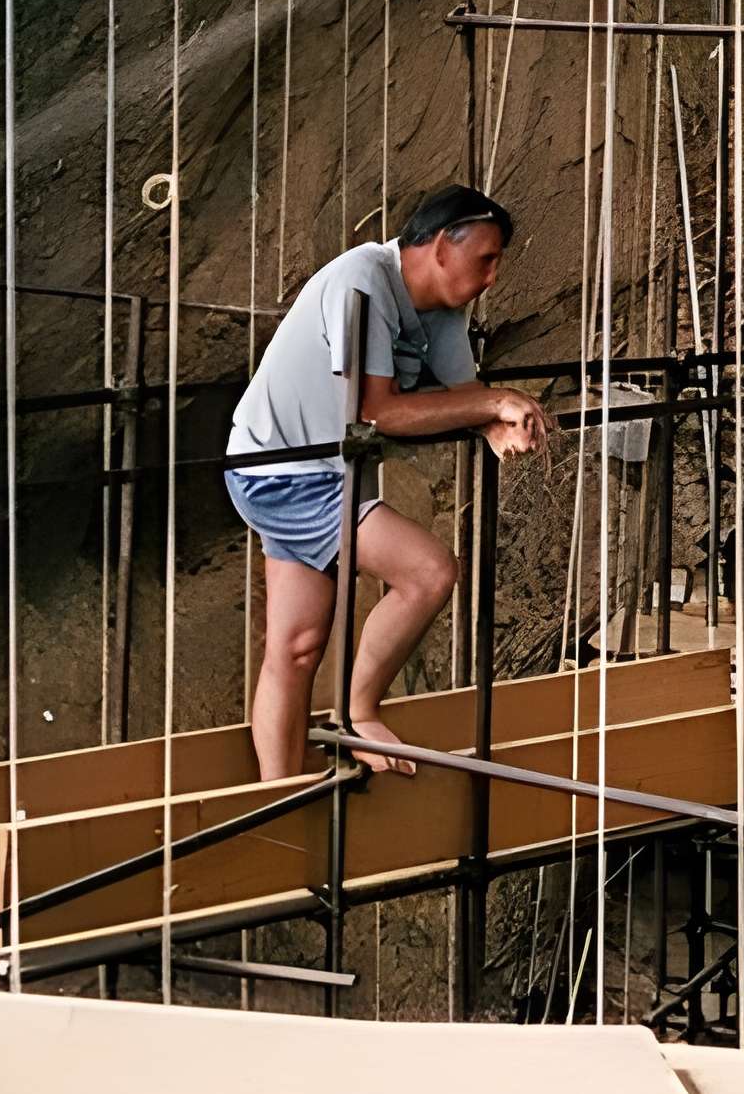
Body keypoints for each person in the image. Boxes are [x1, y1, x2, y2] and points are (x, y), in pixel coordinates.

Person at [225, 185, 548, 780]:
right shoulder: (364, 278)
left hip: (313, 471)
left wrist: (495, 424)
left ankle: (278, 795)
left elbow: (463, 398)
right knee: (429, 571)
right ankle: (357, 711)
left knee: (296, 646)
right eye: (487, 258)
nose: (493, 277)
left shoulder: (443, 306)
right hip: (283, 472)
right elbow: (381, 412)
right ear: (442, 245)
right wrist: (498, 403)